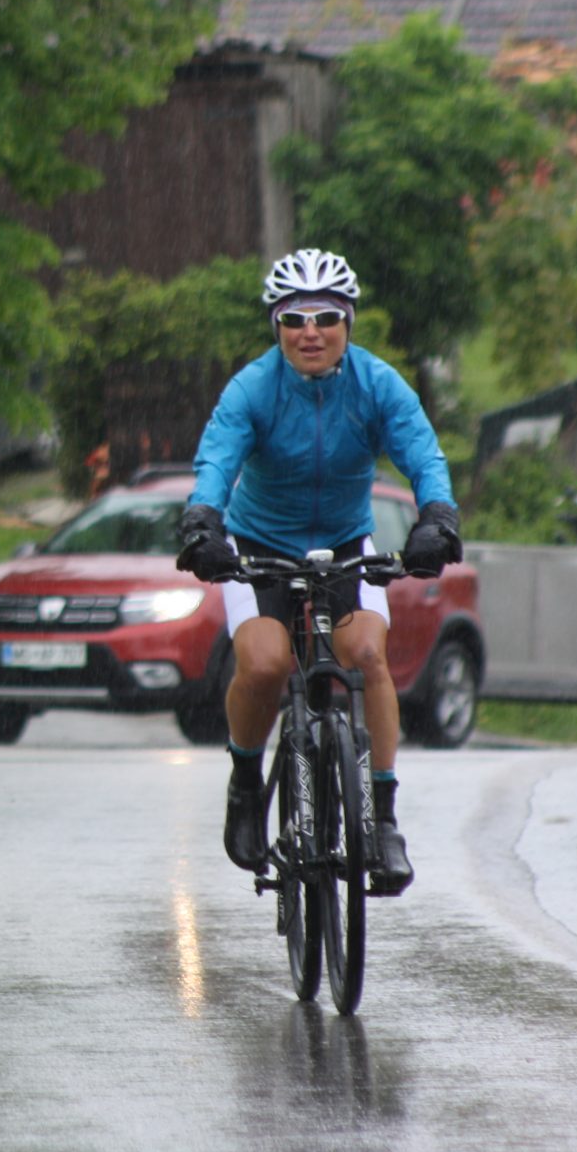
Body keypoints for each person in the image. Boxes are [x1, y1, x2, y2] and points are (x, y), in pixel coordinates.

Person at [174, 248, 463, 895]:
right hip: (260, 546)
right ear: (276, 325)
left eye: (326, 317)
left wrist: (437, 517)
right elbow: (216, 462)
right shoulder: (252, 388)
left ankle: (381, 819)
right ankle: (246, 782)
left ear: (347, 322)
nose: (310, 332)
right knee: (266, 664)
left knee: (368, 654)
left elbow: (423, 454)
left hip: (344, 542)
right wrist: (203, 523)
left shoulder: (377, 384)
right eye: (294, 318)